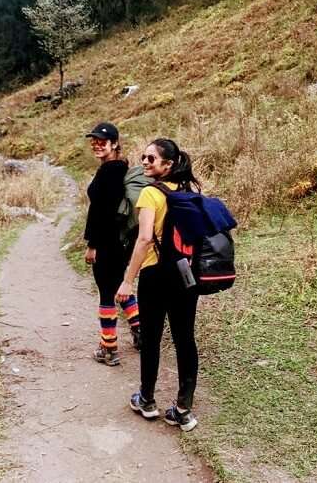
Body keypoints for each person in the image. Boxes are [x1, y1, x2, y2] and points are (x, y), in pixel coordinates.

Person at [116, 138, 202, 431]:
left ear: (168, 164)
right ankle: (183, 409)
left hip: (155, 276)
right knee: (185, 339)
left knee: (152, 338)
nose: (144, 162)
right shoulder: (190, 192)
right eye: (143, 157)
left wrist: (128, 280)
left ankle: (147, 400)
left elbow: (143, 240)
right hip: (186, 275)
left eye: (151, 159)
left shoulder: (150, 194)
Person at [84, 122, 141, 367]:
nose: (97, 145)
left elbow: (102, 212)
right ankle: (141, 333)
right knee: (119, 287)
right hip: (121, 242)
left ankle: (109, 348)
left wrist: (92, 245)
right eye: (94, 142)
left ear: (114, 144)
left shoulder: (109, 171)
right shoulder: (119, 168)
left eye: (102, 142)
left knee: (107, 293)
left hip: (107, 243)